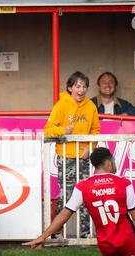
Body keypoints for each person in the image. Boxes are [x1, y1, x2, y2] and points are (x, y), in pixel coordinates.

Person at [23, 147, 135, 256]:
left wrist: (42, 237)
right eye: (114, 161)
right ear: (109, 163)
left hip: (105, 243)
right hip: (127, 239)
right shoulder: (123, 183)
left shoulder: (83, 186)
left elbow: (64, 215)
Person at [44, 71, 101, 238]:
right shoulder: (61, 105)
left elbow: (95, 131)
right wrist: (63, 130)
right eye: (77, 86)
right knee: (67, 194)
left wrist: (90, 147)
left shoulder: (91, 106)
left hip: (83, 157)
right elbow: (48, 130)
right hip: (66, 156)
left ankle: (85, 232)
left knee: (85, 193)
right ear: (70, 88)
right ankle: (55, 232)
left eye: (84, 86)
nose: (81, 90)